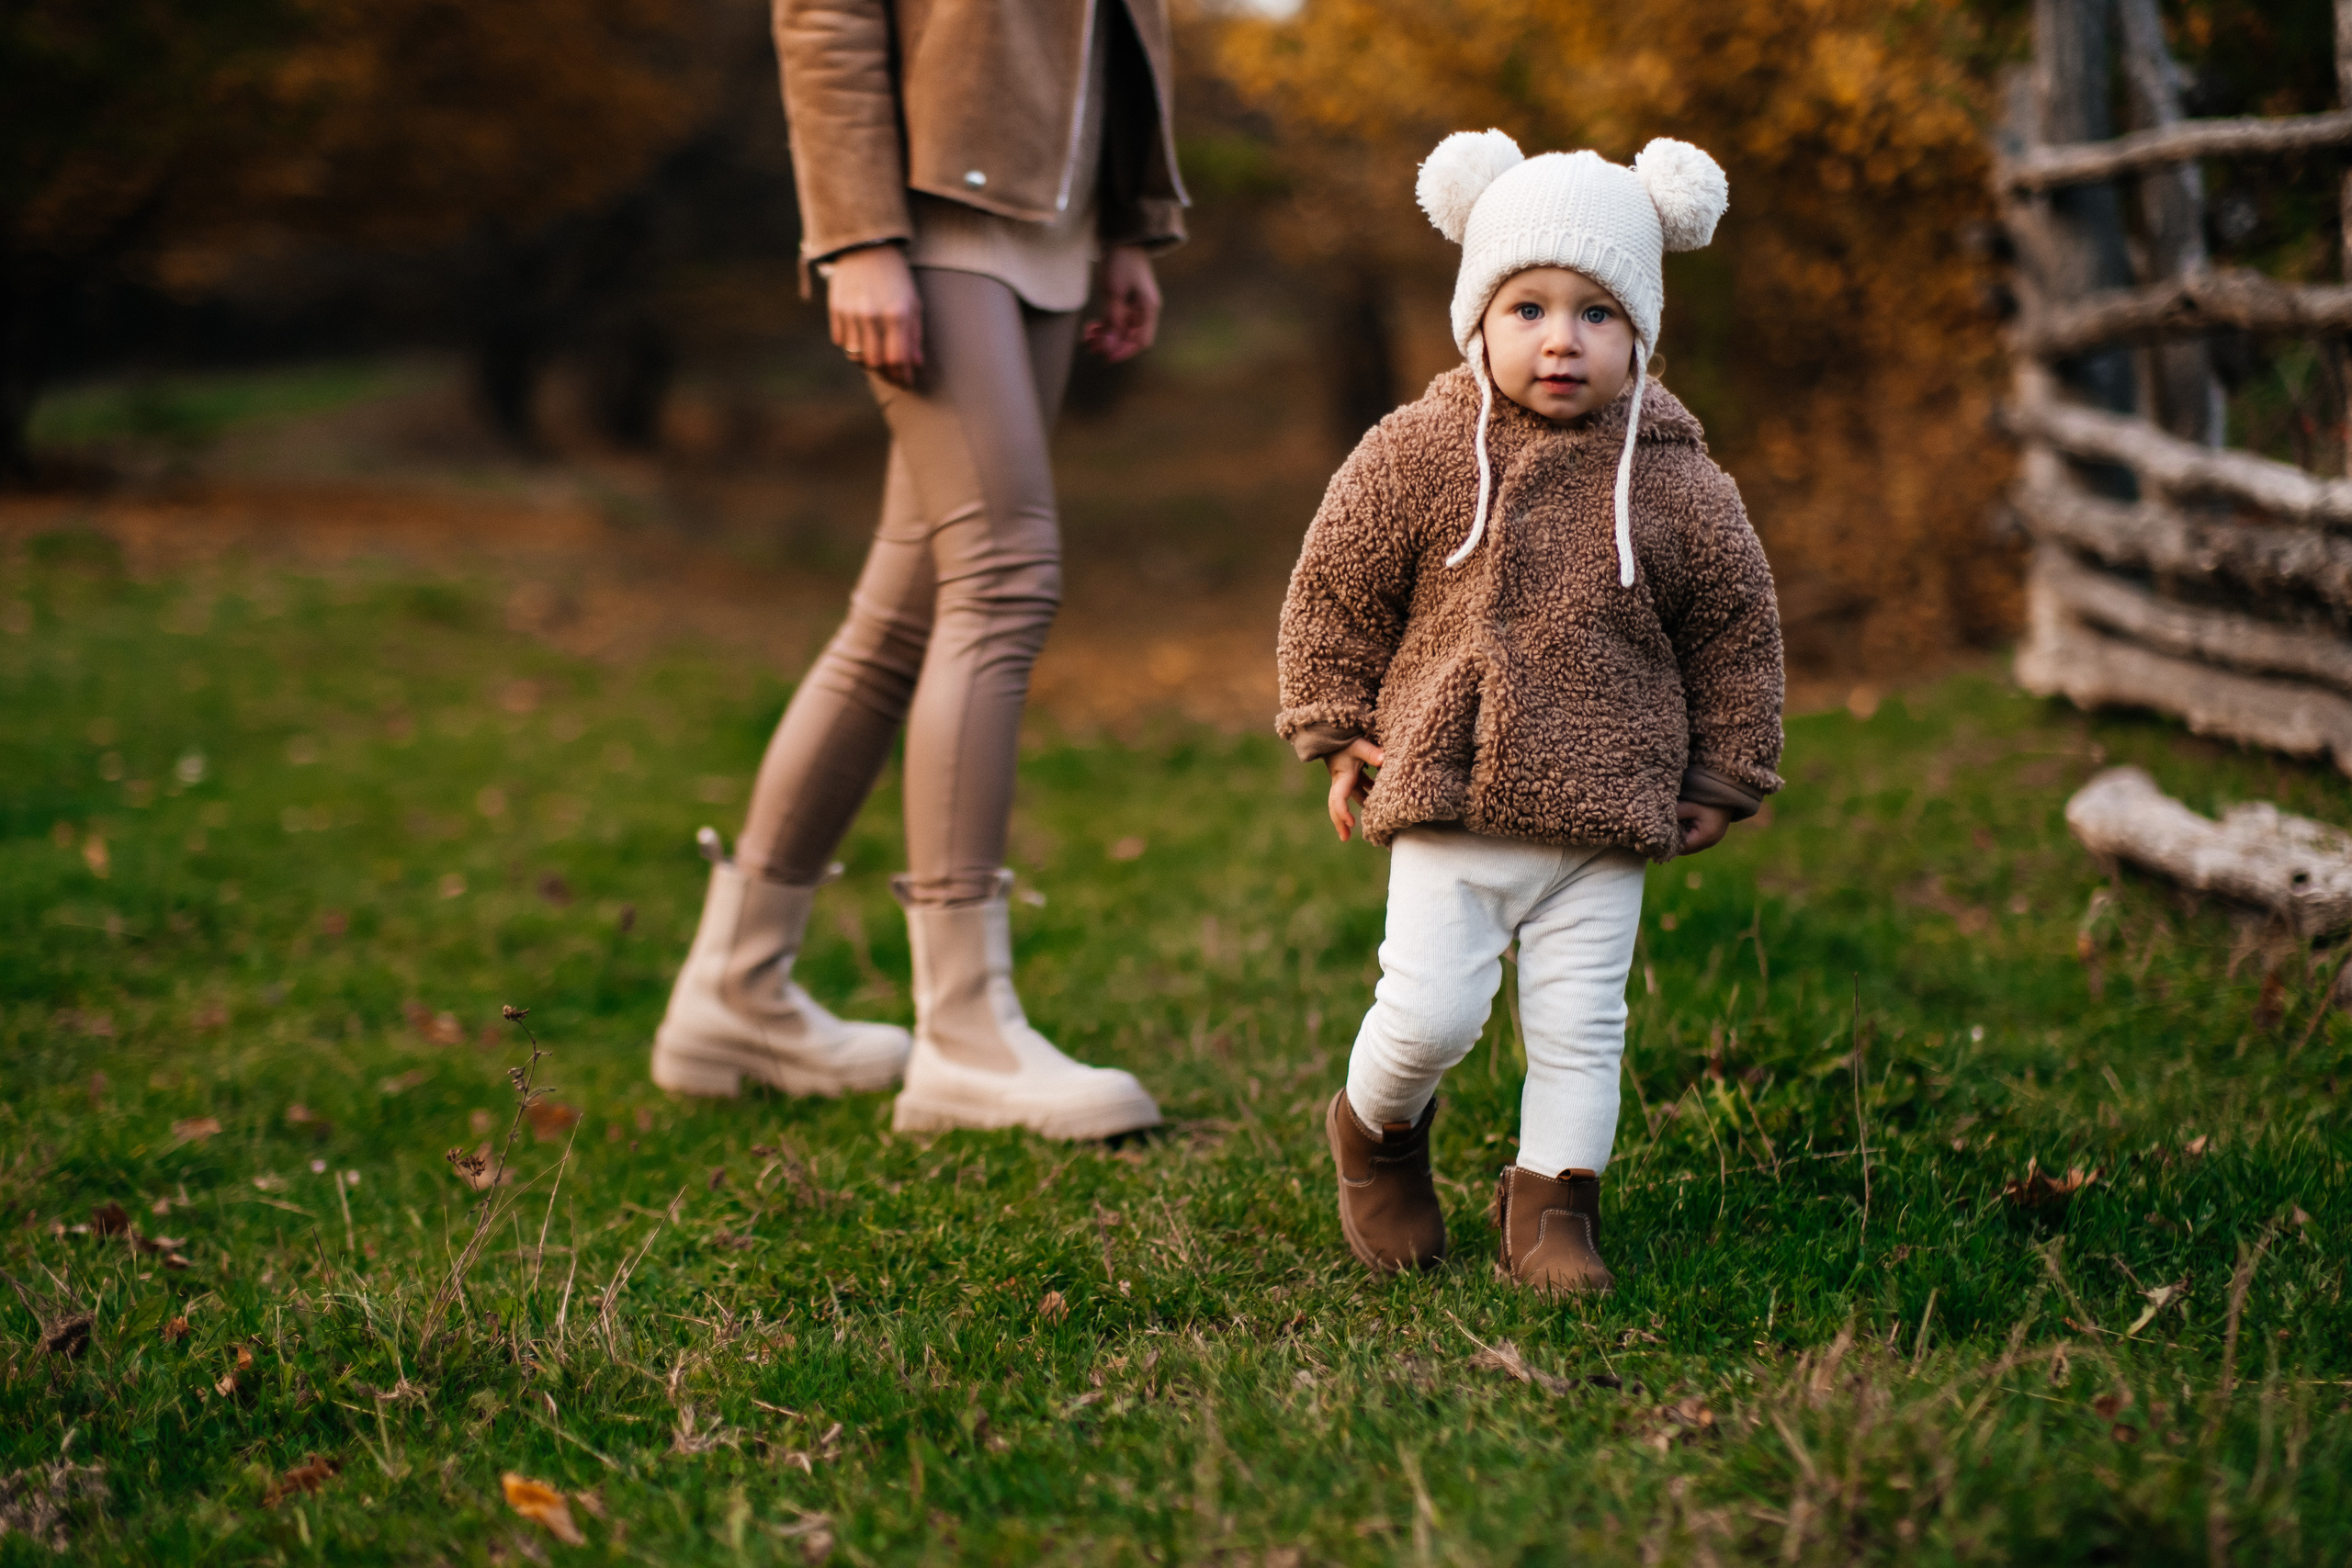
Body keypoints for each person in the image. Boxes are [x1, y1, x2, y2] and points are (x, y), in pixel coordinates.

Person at [648, 0, 1187, 1141]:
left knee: (909, 608)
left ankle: (733, 994)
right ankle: (964, 1036)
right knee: (1003, 576)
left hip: (1052, 212)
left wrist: (1126, 222)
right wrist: (854, 235)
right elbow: (828, 13)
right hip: (931, 208)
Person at [1275, 130, 1785, 1293]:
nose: (1562, 338)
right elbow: (1337, 581)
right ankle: (1379, 1128)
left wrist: (1725, 766)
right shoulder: (1415, 453)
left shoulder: (1679, 479)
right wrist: (1328, 711)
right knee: (1430, 1014)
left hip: (1607, 805)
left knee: (1581, 1027)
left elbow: (1734, 631)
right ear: (1479, 319)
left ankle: (1556, 1205)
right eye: (1529, 308)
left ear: (1640, 333)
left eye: (1598, 313)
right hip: (1452, 792)